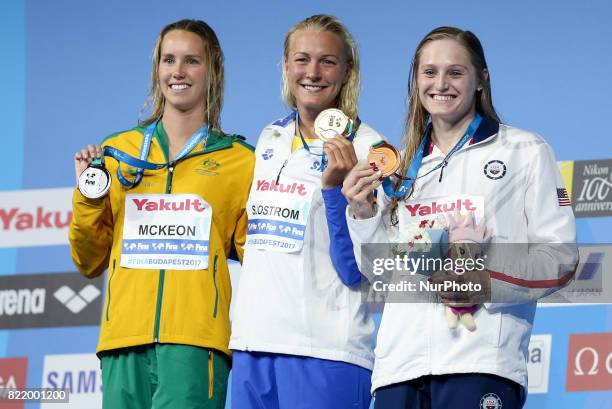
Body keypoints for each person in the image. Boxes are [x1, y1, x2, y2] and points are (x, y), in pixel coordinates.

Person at [341, 26, 577, 409]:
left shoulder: (525, 151)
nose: (441, 84)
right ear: (416, 81)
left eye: (455, 72)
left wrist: (484, 279)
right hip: (399, 369)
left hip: (480, 362)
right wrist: (363, 212)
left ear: (481, 78)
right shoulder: (399, 168)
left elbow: (560, 258)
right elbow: (383, 276)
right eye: (429, 72)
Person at [69, 19, 254, 409]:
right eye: (168, 60)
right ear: (157, 69)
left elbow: (259, 259)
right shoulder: (117, 151)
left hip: (196, 343)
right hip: (123, 340)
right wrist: (87, 198)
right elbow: (88, 261)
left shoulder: (240, 161)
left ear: (213, 69)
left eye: (192, 61)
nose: (178, 72)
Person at [229, 14, 383, 409]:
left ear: (348, 72)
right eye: (302, 59)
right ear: (285, 66)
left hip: (326, 349)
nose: (312, 72)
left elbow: (358, 270)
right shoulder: (271, 136)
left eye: (327, 61)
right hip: (253, 344)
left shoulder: (370, 149)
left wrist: (335, 189)